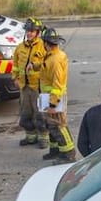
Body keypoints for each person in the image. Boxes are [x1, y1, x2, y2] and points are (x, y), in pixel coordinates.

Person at [38, 27, 77, 163]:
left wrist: (52, 104)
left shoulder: (55, 60)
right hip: (47, 96)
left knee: (59, 125)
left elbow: (57, 85)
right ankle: (55, 150)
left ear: (46, 43)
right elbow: (45, 67)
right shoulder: (52, 55)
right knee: (51, 125)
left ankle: (68, 154)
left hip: (54, 98)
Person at [12, 18, 48, 149]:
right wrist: (15, 78)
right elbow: (15, 64)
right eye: (28, 31)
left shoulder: (43, 47)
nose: (29, 33)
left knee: (40, 114)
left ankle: (43, 137)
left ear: (38, 32)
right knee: (26, 113)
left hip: (37, 87)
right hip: (24, 87)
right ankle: (30, 136)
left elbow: (47, 65)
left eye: (32, 31)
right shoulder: (20, 48)